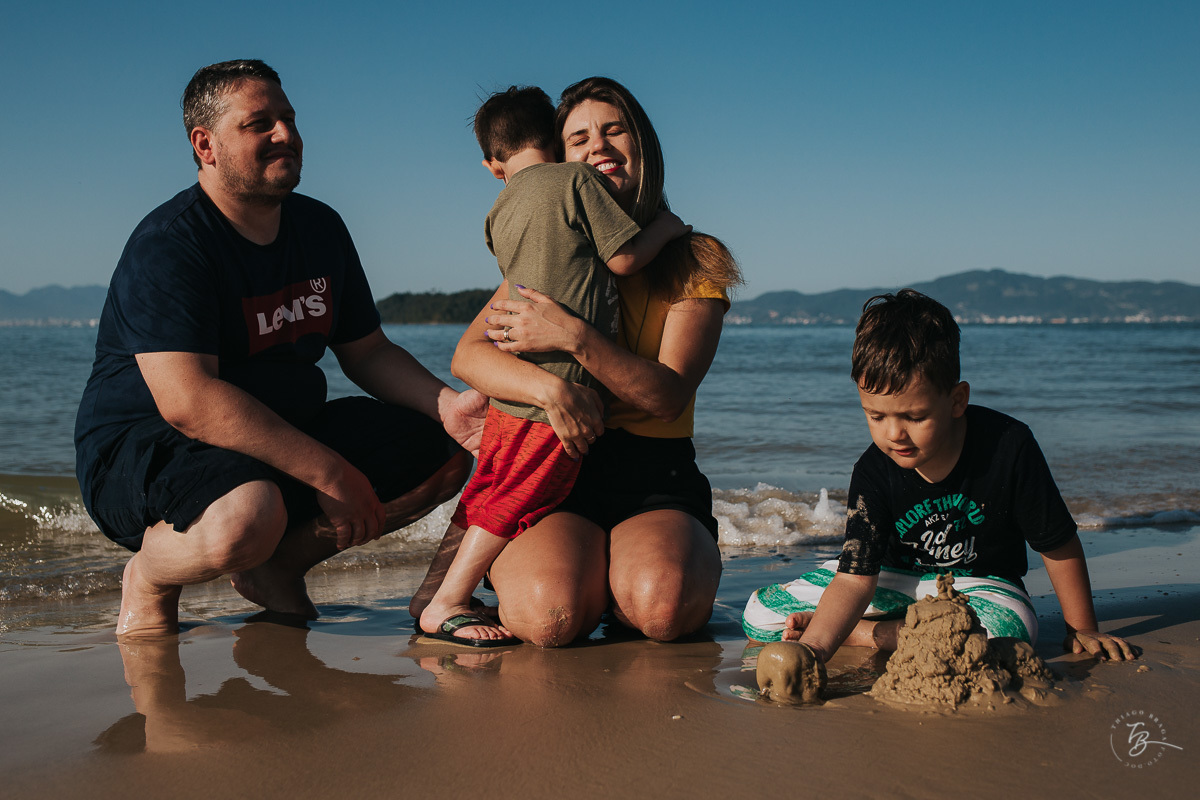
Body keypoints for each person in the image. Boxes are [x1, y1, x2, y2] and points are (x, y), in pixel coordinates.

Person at [74, 59, 486, 638]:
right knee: (248, 516)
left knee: (444, 451)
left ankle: (278, 567)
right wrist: (330, 473)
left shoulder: (320, 229)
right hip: (146, 448)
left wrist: (449, 406)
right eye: (259, 123)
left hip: (277, 437)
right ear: (205, 145)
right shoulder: (170, 245)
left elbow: (366, 352)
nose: (285, 135)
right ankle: (149, 575)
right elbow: (188, 401)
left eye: (288, 118)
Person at [410, 77, 743, 647]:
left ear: (643, 144)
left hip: (653, 475)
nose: (599, 148)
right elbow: (469, 354)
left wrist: (574, 337)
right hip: (557, 469)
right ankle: (566, 582)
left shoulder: (694, 258)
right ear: (560, 162)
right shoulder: (554, 252)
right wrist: (552, 392)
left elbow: (665, 396)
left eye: (614, 130)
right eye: (579, 138)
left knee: (662, 608)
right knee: (550, 618)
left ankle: (626, 581)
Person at [741, 290, 1137, 662]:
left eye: (914, 417)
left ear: (957, 400)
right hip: (895, 583)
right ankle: (882, 629)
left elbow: (1057, 543)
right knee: (760, 615)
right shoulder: (873, 469)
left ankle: (863, 634)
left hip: (979, 587)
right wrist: (812, 650)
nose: (894, 434)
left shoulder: (1009, 447)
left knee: (1010, 631)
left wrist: (1082, 628)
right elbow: (854, 581)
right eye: (876, 416)